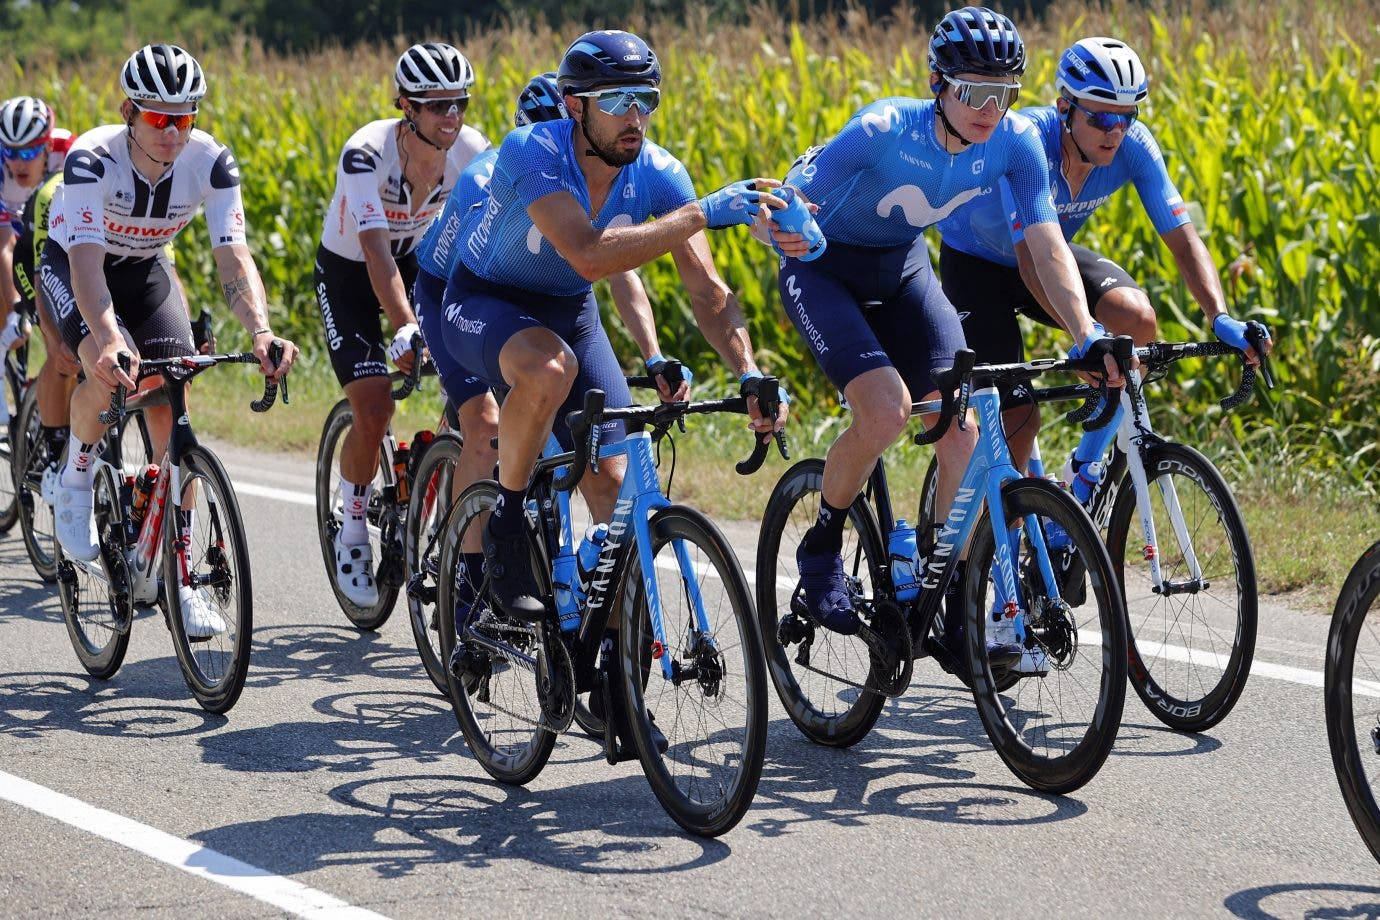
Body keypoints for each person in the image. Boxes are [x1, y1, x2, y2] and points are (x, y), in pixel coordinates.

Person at [776, 7, 1122, 676]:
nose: (989, 109)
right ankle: (820, 547)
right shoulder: (882, 129)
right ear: (938, 83)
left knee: (960, 433)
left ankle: (949, 595)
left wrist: (1086, 335)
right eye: (973, 91)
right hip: (825, 271)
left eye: (1004, 93)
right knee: (885, 411)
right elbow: (788, 200)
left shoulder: (1015, 145)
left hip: (903, 268)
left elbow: (1048, 246)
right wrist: (787, 227)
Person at [425, 29, 790, 626]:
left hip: (569, 311)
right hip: (485, 299)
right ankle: (506, 532)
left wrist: (747, 371)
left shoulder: (659, 172)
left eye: (646, 101)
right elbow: (590, 255)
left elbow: (707, 290)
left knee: (615, 487)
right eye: (618, 101)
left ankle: (606, 661)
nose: (635, 118)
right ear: (575, 106)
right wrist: (702, 212)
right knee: (547, 371)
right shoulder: (533, 151)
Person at [43, 43, 299, 635]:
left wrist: (260, 332)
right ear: (130, 111)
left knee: (172, 397)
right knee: (103, 369)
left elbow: (234, 260)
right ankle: (75, 475)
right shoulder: (90, 160)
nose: (172, 132)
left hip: (147, 269)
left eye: (184, 118)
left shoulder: (210, 163)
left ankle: (180, 580)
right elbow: (84, 268)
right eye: (159, 118)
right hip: (76, 265)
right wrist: (106, 340)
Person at [936, 35, 1272, 478]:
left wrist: (1220, 316)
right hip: (979, 268)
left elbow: (1185, 240)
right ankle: (1006, 536)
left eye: (1126, 118)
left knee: (1137, 323)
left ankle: (1085, 472)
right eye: (1099, 117)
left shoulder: (1133, 146)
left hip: (1050, 251)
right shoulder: (1027, 142)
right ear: (1064, 108)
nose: (1115, 132)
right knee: (1021, 422)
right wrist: (1085, 337)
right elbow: (1029, 262)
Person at [412, 71, 692, 555]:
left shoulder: (598, 172)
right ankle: (468, 572)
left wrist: (652, 354)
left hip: (549, 306)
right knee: (485, 427)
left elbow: (618, 270)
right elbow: (466, 275)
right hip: (455, 296)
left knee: (604, 462)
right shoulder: (490, 175)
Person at [316, 41, 489, 608]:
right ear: (405, 107)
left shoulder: (472, 151)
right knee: (373, 407)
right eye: (436, 106)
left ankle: (432, 476)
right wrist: (409, 327)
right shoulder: (366, 154)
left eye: (458, 103)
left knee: (473, 388)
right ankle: (353, 526)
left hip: (422, 260)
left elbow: (483, 244)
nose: (451, 116)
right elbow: (375, 254)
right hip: (352, 270)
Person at [1, 96, 75, 454]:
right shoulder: (2, 171)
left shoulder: (71, 151)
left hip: (56, 242)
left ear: (48, 145)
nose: (18, 162)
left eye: (29, 153)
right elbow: (5, 247)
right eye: (10, 152)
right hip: (21, 250)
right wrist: (18, 306)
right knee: (55, 342)